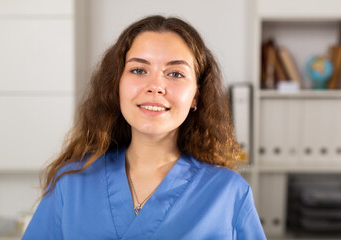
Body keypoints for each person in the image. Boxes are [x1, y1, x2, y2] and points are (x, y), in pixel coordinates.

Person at [23, 15, 266, 239]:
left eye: (175, 74)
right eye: (139, 70)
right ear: (116, 85)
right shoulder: (71, 183)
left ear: (196, 96)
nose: (155, 86)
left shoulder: (228, 192)